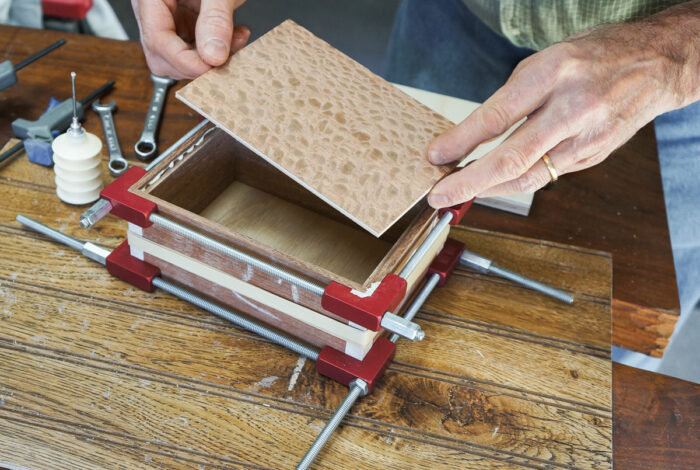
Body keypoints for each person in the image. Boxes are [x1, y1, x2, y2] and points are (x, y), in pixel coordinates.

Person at [132, 1, 700, 377]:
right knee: (428, 184)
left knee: (608, 336)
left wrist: (675, 50)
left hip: (672, 85)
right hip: (457, 21)